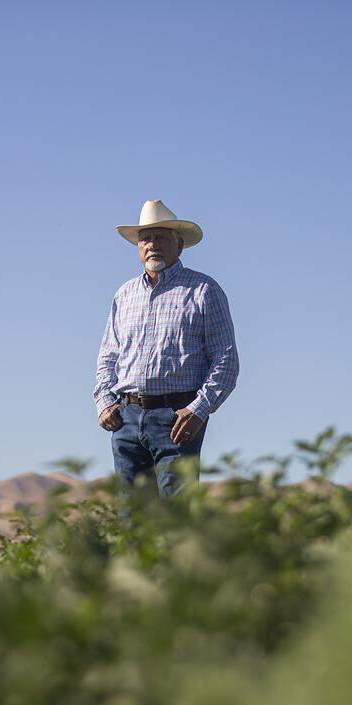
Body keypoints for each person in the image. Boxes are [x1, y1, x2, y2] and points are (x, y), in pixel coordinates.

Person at [93, 199, 240, 498]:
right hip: (127, 418)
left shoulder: (203, 291)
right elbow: (108, 356)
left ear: (179, 245)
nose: (152, 244)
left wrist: (198, 411)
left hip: (177, 419)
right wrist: (105, 401)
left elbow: (226, 361)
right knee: (132, 520)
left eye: (160, 237)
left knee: (177, 519)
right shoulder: (124, 295)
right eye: (145, 238)